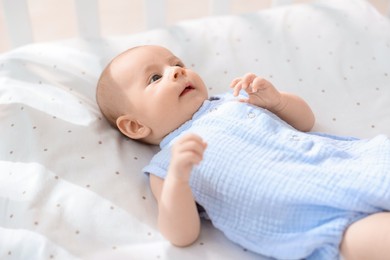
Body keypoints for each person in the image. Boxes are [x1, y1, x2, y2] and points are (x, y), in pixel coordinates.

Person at [96, 45, 390, 260]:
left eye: (177, 63)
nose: (176, 71)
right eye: (155, 78)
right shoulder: (167, 165)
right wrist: (178, 179)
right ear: (135, 126)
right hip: (311, 222)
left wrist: (277, 101)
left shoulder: (233, 99)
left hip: (349, 168)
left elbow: (305, 122)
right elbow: (181, 234)